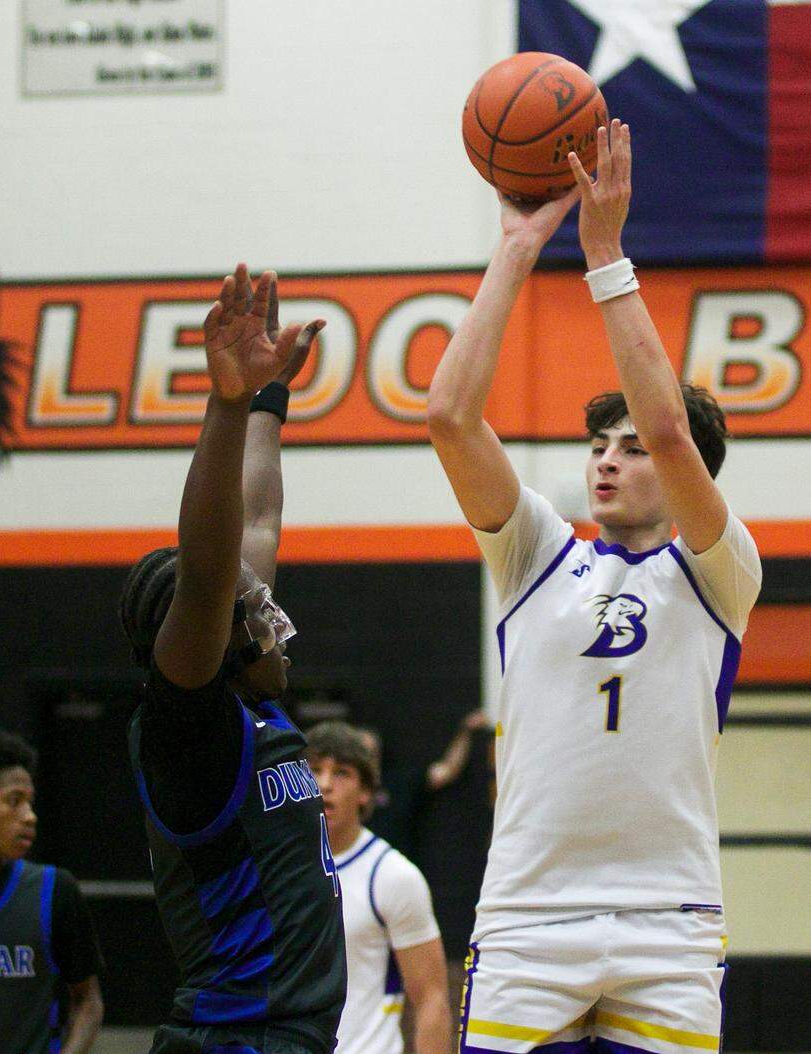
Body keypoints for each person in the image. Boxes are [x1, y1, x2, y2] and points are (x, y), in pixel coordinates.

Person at [427, 121, 762, 1050]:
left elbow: (668, 428)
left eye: (630, 449)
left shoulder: (719, 568)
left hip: (669, 921)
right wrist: (516, 248)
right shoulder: (537, 552)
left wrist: (606, 258)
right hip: (532, 916)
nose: (609, 462)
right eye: (597, 446)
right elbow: (450, 417)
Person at [118, 265, 346, 1054]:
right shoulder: (190, 732)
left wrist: (267, 399)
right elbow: (214, 566)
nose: (277, 619)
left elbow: (254, 521)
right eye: (256, 611)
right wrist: (224, 405)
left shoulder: (244, 700)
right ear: (209, 633)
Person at [305, 722, 450, 1054]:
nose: (325, 784)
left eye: (341, 773)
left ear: (366, 792)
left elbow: (431, 999)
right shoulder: (275, 868)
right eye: (314, 770)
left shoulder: (392, 875)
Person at [0, 723, 104, 1054]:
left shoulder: (53, 890)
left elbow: (88, 1002)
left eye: (30, 802)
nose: (30, 816)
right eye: (14, 801)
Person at [365, 710, 490, 859]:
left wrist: (465, 732)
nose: (364, 759)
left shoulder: (400, 781)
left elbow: (446, 771)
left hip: (396, 864)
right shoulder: (338, 788)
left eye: (369, 752)